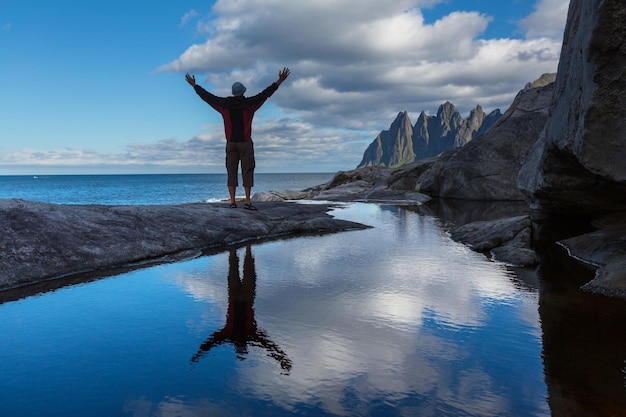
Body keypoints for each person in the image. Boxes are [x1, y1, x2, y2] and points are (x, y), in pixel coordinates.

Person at [185, 68, 290, 210]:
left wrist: (195, 86)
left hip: (231, 144)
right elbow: (265, 94)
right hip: (246, 143)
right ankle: (247, 202)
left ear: (233, 92)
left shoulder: (224, 105)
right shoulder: (249, 105)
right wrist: (280, 81)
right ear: (243, 92)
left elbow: (207, 97)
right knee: (248, 171)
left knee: (231, 171)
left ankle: (232, 202)